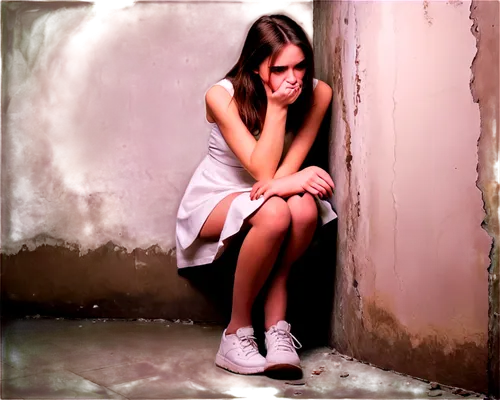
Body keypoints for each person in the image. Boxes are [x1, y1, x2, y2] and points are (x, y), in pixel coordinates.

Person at [175, 12, 337, 376]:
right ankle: (237, 331)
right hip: (217, 194)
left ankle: (277, 329)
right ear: (255, 68)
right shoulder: (221, 95)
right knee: (277, 212)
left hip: (276, 184)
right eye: (280, 69)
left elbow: (282, 174)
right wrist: (278, 108)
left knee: (306, 210)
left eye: (300, 66)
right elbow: (262, 173)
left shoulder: (318, 92)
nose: (293, 79)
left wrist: (293, 181)